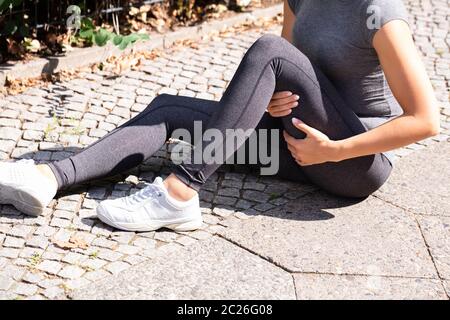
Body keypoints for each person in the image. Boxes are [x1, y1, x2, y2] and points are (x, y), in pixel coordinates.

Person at [0, 0, 440, 232]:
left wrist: (333, 149)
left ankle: (179, 194)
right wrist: (270, 104)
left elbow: (425, 119)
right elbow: (288, 71)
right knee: (169, 110)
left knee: (267, 48)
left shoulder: (378, 9)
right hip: (295, 153)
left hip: (351, 167)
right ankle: (51, 177)